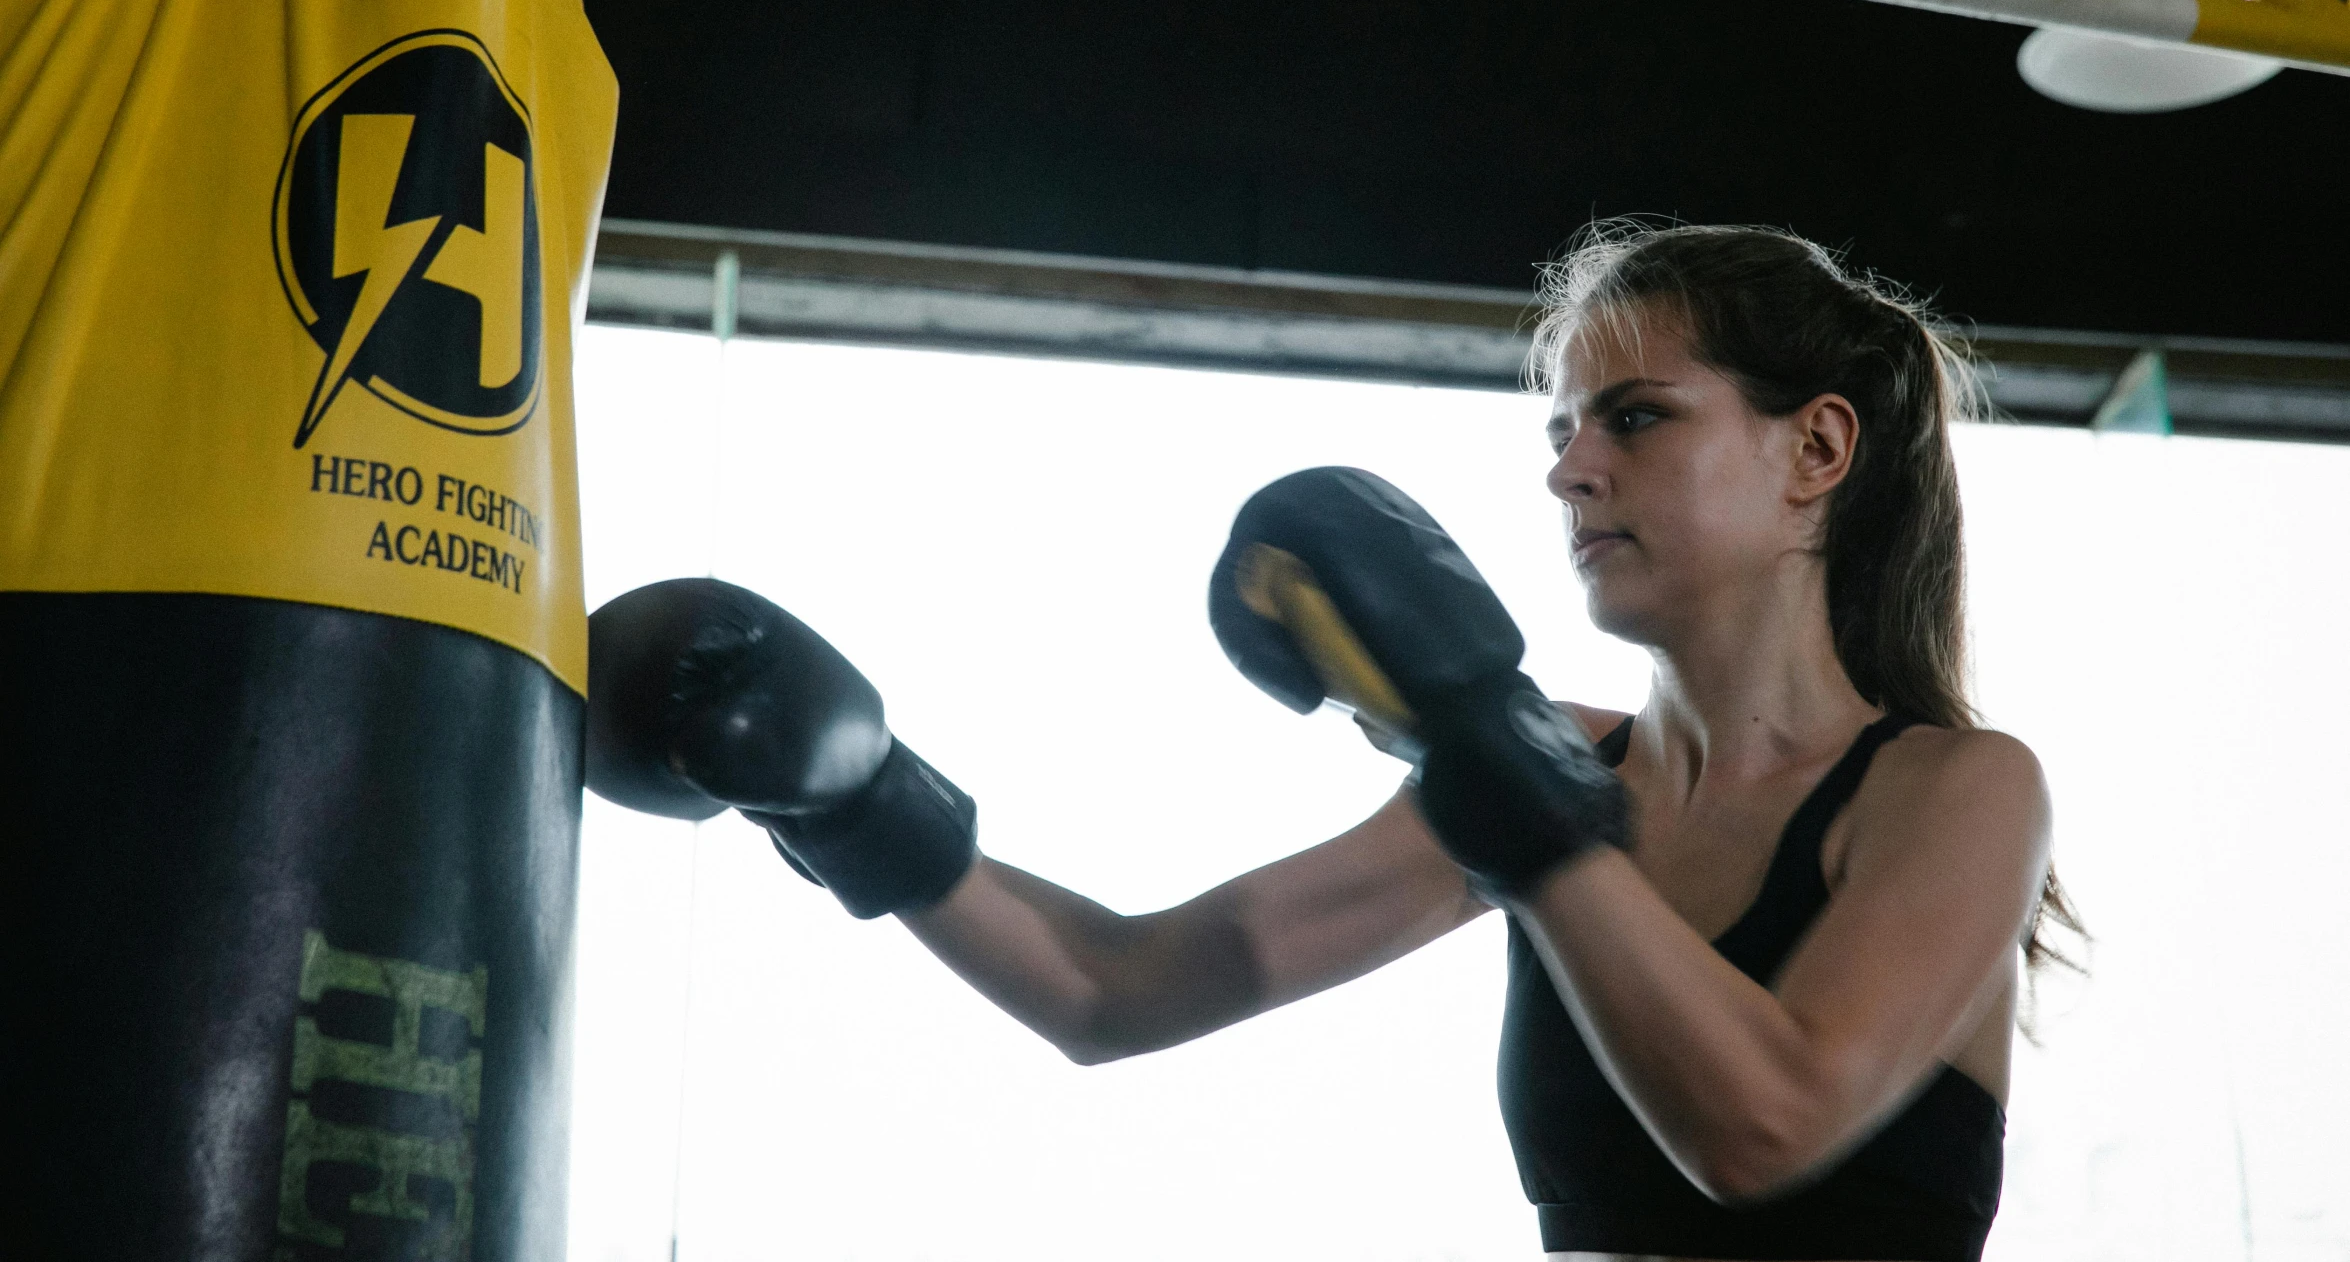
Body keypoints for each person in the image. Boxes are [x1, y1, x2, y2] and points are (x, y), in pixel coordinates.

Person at [589, 223, 2075, 1262]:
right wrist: (859, 801)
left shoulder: (1955, 787)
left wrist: (1498, 767)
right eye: (1558, 429)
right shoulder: (1550, 764)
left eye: (1632, 417)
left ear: (1814, 449)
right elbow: (1113, 989)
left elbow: (1763, 1125)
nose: (1568, 468)